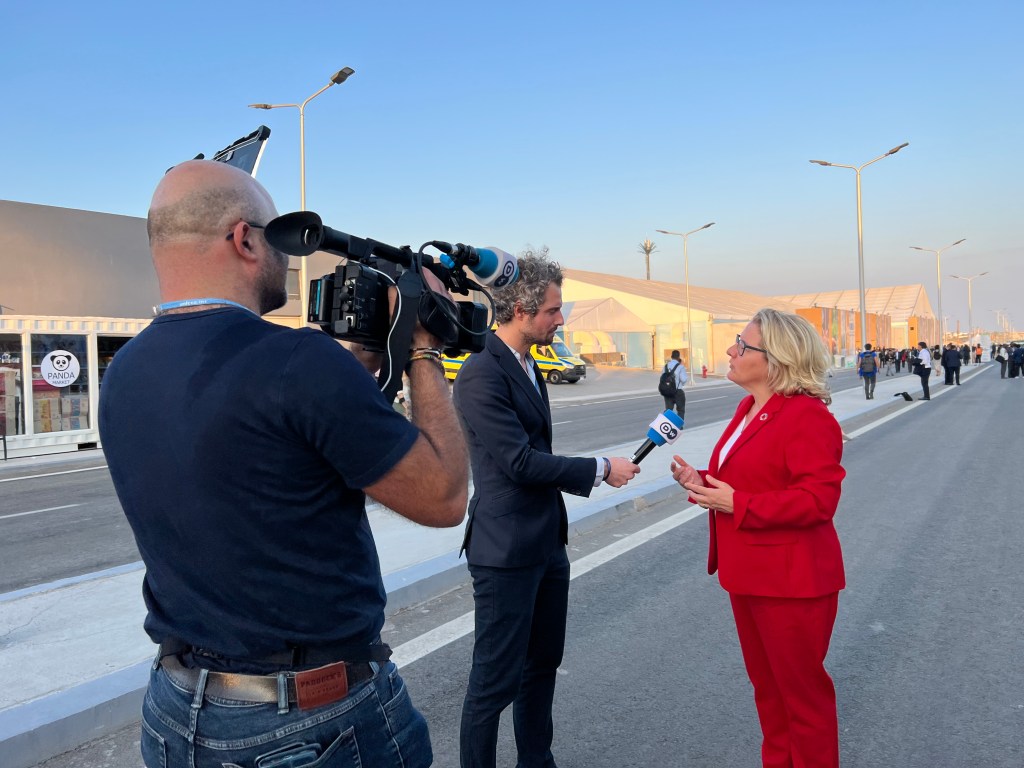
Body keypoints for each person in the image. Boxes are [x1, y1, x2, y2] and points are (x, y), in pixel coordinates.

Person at [98, 160, 469, 768]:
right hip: (308, 723)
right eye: (276, 238)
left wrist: (361, 361)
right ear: (244, 239)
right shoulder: (298, 360)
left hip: (173, 711)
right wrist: (424, 351)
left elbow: (284, 450)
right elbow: (445, 497)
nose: (288, 259)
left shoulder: (125, 372)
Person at [453, 253, 640, 768]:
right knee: (493, 683)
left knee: (541, 667)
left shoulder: (529, 363)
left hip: (545, 543)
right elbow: (518, 461)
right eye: (553, 311)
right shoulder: (481, 373)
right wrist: (600, 468)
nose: (561, 320)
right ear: (520, 309)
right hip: (506, 551)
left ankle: (536, 761)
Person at [669, 308, 846, 768]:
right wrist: (703, 480)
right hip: (749, 575)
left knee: (802, 700)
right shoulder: (748, 408)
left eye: (743, 345)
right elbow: (754, 476)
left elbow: (818, 500)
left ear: (777, 359)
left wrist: (738, 504)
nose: (731, 350)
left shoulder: (807, 417)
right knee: (769, 693)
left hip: (793, 582)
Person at [662, 349, 688, 421]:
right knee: (680, 410)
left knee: (668, 411)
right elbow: (683, 379)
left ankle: (666, 425)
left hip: (668, 392)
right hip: (678, 391)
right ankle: (679, 426)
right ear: (678, 357)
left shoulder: (665, 366)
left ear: (671, 357)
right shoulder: (680, 367)